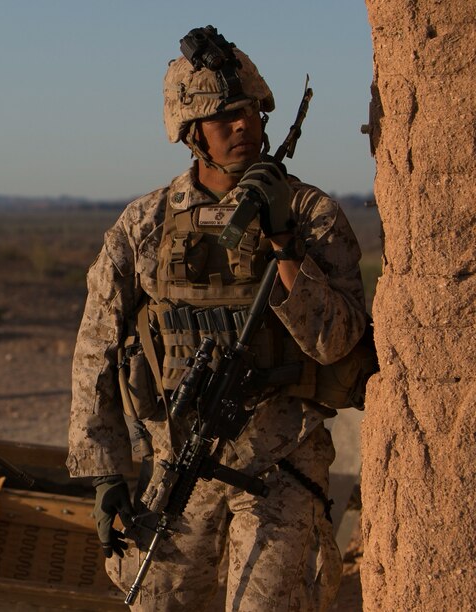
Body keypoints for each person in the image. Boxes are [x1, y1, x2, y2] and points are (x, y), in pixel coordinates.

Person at [67, 26, 367, 611]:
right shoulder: (146, 223)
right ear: (189, 132)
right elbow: (96, 348)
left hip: (281, 464)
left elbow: (338, 342)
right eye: (224, 116)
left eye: (251, 111)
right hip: (182, 460)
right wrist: (103, 471)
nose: (244, 127)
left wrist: (284, 246)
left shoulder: (312, 216)